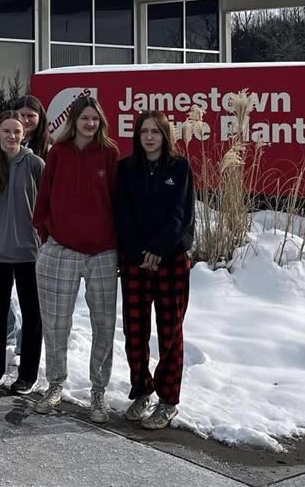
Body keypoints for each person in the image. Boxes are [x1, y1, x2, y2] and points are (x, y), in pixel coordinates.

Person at [33, 95, 120, 423]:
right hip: (62, 249)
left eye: (95, 118)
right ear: (74, 121)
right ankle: (55, 385)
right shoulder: (58, 153)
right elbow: (43, 197)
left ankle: (98, 391)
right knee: (56, 323)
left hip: (102, 252)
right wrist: (46, 233)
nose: (90, 123)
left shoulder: (109, 154)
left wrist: (116, 244)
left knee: (104, 324)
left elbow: (117, 200)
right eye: (84, 118)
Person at [115, 110, 195, 430]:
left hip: (170, 261)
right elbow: (122, 215)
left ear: (165, 135)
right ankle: (142, 391)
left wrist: (158, 249)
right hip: (135, 262)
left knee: (170, 333)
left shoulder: (179, 167)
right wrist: (139, 253)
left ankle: (167, 400)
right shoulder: (126, 169)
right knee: (135, 333)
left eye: (155, 132)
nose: (149, 137)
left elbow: (180, 216)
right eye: (144, 131)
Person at [0, 111, 44, 394]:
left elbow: (43, 203)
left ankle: (27, 375)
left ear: (24, 134)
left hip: (30, 252)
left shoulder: (35, 164)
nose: (12, 136)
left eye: (17, 131)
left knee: (32, 315)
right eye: (6, 131)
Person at [13, 95, 51, 160]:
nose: (26, 120)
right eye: (21, 115)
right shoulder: (3, 144)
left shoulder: (49, 148)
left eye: (30, 116)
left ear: (40, 117)